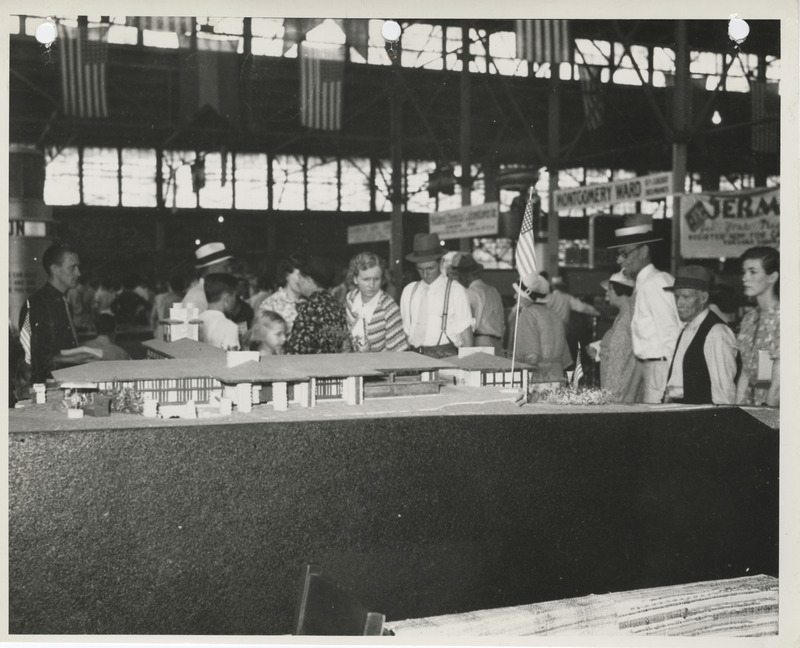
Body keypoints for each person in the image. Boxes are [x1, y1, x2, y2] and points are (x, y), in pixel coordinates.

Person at [609, 213, 681, 403]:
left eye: (625, 254)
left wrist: (673, 387)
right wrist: (631, 393)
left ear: (643, 251)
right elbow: (644, 349)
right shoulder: (643, 284)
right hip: (652, 370)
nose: (619, 260)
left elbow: (672, 337)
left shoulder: (656, 282)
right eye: (619, 254)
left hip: (663, 372)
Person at [662, 266, 737, 405]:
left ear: (703, 298)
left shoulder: (716, 332)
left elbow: (724, 395)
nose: (679, 303)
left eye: (686, 297)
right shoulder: (687, 329)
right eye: (677, 296)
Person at [400, 233, 473, 358]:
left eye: (430, 268)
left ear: (441, 263)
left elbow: (466, 333)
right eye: (420, 269)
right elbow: (406, 332)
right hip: (415, 356)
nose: (425, 274)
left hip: (447, 356)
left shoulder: (456, 291)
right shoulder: (409, 291)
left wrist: (468, 364)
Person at [17, 242, 82, 383]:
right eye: (72, 267)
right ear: (55, 269)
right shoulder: (36, 305)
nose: (78, 273)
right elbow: (34, 358)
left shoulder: (65, 303)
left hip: (65, 381)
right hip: (48, 386)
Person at [735, 247, 780, 407]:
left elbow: (778, 385)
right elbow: (745, 372)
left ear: (772, 277)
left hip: (774, 407)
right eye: (744, 272)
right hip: (751, 405)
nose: (744, 278)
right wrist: (736, 409)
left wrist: (765, 417)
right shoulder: (749, 318)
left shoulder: (783, 318)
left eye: (753, 272)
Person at [510, 272, 572, 381]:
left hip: (538, 377)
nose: (515, 296)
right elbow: (566, 358)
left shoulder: (528, 314)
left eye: (518, 293)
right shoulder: (554, 314)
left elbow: (532, 355)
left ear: (527, 297)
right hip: (557, 374)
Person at [587, 272, 637, 402]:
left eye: (610, 289)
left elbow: (622, 357)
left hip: (619, 390)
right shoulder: (621, 316)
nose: (607, 293)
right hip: (614, 387)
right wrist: (599, 351)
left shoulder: (628, 318)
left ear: (620, 290)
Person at [285, 256, 351, 354]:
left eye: (301, 277)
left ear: (308, 281)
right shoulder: (338, 306)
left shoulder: (309, 309)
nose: (298, 281)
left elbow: (296, 351)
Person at [344, 252, 408, 352]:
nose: (371, 285)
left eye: (376, 279)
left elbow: (398, 354)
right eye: (366, 279)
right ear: (355, 279)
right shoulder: (351, 299)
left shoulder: (389, 308)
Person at [448, 252, 505, 355]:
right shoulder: (494, 291)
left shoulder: (469, 293)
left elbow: (466, 324)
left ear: (464, 276)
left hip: (480, 342)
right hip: (498, 342)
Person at [258, 254, 307, 334]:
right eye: (299, 275)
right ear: (287, 275)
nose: (302, 280)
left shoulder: (310, 302)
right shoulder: (271, 304)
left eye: (305, 276)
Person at [182, 241, 234, 313]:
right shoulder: (196, 297)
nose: (229, 270)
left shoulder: (215, 291)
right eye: (226, 267)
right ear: (213, 269)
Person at [198, 273, 241, 350]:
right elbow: (232, 356)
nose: (235, 300)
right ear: (227, 299)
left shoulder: (196, 320)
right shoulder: (230, 327)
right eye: (235, 296)